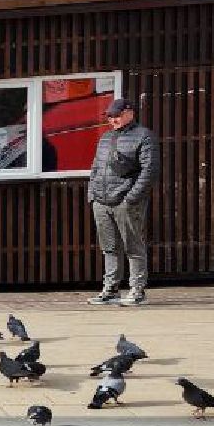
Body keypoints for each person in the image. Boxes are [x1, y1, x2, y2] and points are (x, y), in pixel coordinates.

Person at [86, 97, 159, 306]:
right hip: (101, 200)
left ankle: (137, 291)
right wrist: (92, 194)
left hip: (125, 201)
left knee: (133, 246)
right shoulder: (106, 138)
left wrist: (131, 198)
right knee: (109, 247)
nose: (113, 119)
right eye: (110, 116)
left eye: (117, 115)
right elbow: (96, 167)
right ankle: (110, 290)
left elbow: (150, 170)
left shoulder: (144, 136)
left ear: (130, 112)